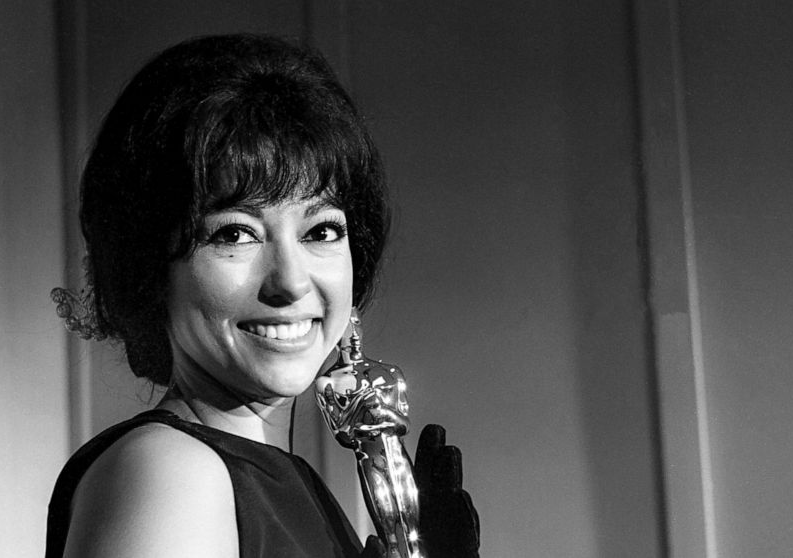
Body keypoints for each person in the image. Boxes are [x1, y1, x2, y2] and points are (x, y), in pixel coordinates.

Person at [45, 34, 478, 558]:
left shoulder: (278, 481)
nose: (291, 282)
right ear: (150, 269)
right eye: (235, 234)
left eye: (320, 231)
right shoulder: (173, 473)